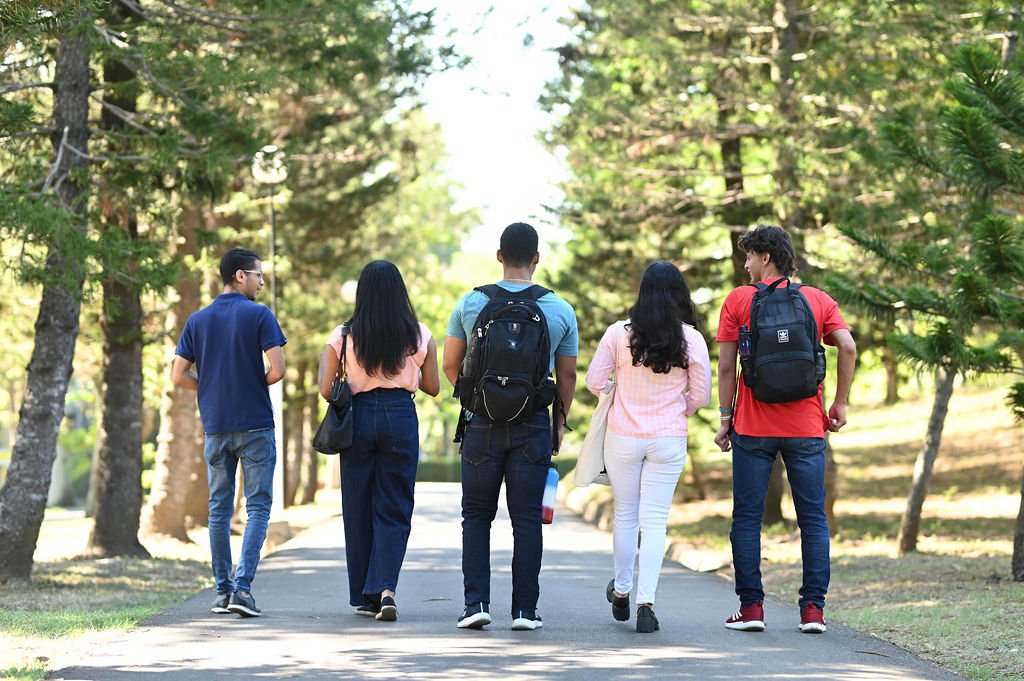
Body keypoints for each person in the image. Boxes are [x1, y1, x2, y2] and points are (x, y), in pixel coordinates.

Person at [714, 223, 857, 634]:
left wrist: (725, 418)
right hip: (807, 427)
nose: (746, 266)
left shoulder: (738, 300)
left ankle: (751, 609)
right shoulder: (818, 299)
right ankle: (813, 612)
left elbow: (726, 366)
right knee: (812, 519)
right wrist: (840, 402)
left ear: (766, 257)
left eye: (749, 257)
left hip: (753, 428)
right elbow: (847, 346)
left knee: (747, 519)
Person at [443, 222, 578, 631]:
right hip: (532, 425)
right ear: (536, 259)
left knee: (476, 516)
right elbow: (567, 376)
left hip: (481, 424)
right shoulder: (560, 309)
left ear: (499, 256)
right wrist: (559, 423)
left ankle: (475, 605)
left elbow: (450, 365)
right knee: (527, 520)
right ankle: (524, 611)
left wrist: (478, 400)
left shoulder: (471, 303)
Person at [585, 261, 711, 633]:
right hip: (669, 438)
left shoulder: (617, 333)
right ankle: (646, 604)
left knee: (626, 515)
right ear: (679, 294)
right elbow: (701, 395)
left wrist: (618, 395)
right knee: (655, 521)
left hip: (623, 436)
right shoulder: (691, 339)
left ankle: (621, 590)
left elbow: (594, 381)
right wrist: (679, 407)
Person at [317, 260, 440, 622]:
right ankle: (386, 589)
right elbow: (433, 387)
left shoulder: (343, 335)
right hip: (400, 417)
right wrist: (407, 371)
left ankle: (364, 595)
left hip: (357, 419)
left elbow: (325, 388)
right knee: (395, 505)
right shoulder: (419, 335)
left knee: (358, 506)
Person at [172, 247, 287, 618]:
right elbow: (278, 369)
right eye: (258, 275)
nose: (262, 282)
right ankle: (242, 589)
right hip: (255, 425)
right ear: (240, 275)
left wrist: (210, 386)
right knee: (257, 508)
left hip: (216, 427)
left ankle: (222, 592)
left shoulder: (197, 320)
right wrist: (249, 383)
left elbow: (178, 374)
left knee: (219, 511)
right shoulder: (260, 315)